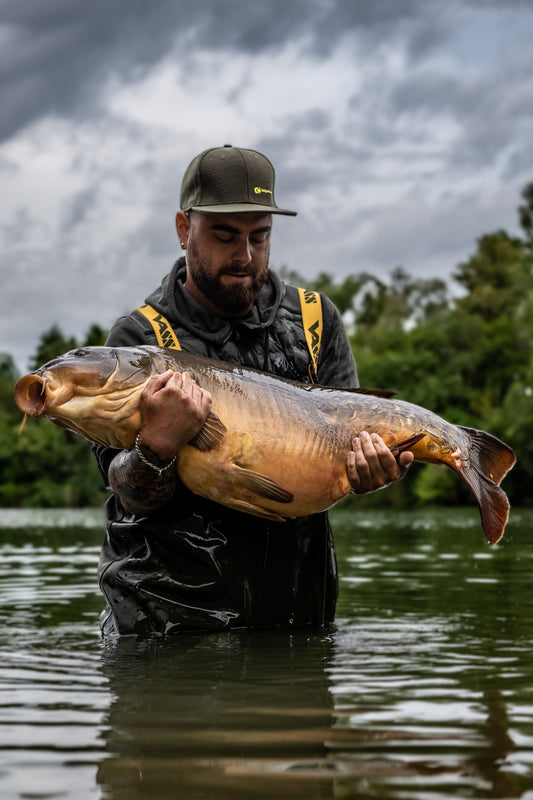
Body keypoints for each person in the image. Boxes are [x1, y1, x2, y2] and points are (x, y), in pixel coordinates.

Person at [94, 145, 413, 636]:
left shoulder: (314, 320)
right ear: (184, 230)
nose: (244, 256)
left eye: (259, 237)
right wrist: (157, 445)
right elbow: (127, 495)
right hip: (167, 630)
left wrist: (366, 473)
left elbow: (333, 464)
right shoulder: (138, 345)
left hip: (293, 623)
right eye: (224, 237)